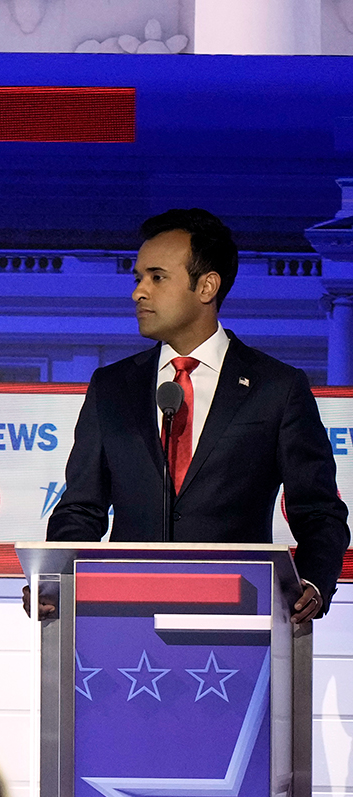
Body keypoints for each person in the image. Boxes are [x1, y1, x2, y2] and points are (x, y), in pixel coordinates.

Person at [44, 208, 348, 623]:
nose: (139, 292)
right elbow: (81, 509)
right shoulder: (112, 388)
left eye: (157, 277)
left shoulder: (277, 387)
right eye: (137, 279)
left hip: (242, 618)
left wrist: (311, 582)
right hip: (123, 618)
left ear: (206, 286)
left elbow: (319, 511)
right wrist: (55, 581)